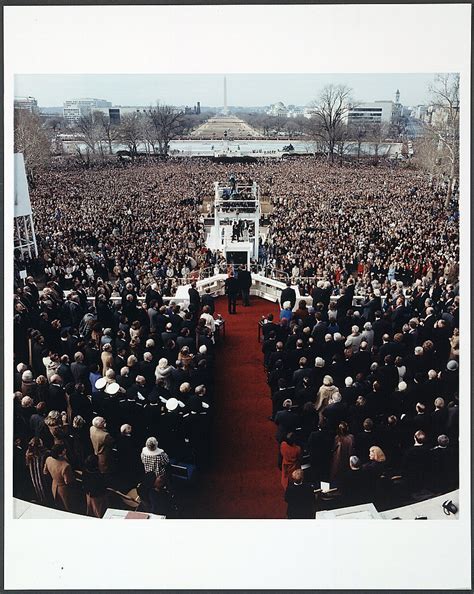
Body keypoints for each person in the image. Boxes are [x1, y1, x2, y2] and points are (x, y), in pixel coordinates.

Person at [43, 443, 80, 512]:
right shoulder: (65, 466)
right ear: (59, 454)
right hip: (64, 490)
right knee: (69, 507)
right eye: (63, 450)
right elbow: (68, 481)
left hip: (54, 486)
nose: (65, 450)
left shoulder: (48, 459)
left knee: (59, 506)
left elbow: (45, 471)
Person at [25, 437, 51, 505]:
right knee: (45, 488)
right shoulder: (46, 453)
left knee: (38, 488)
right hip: (44, 475)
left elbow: (27, 464)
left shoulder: (28, 453)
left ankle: (42, 501)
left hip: (33, 475)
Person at [330, 421, 354, 486]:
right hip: (346, 458)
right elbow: (351, 450)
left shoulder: (337, 437)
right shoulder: (350, 437)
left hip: (337, 459)